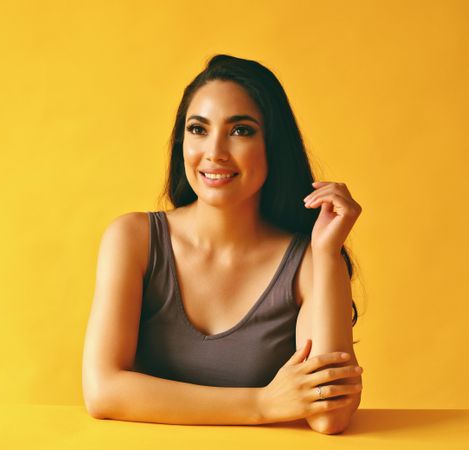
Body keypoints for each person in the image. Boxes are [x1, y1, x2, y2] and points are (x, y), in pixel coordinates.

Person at [81, 54, 363, 434]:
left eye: (240, 130)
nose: (215, 152)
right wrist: (261, 403)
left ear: (273, 146)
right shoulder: (132, 239)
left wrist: (328, 253)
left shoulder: (310, 260)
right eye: (198, 129)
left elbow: (330, 416)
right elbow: (102, 391)